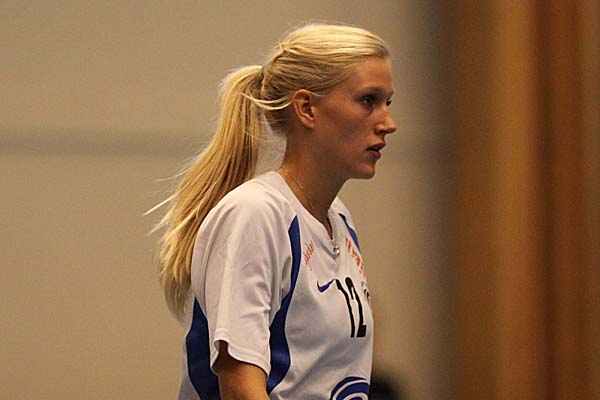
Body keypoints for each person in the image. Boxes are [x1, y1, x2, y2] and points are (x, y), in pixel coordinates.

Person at [152, 23, 397, 399]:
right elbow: (241, 389)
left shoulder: (339, 219)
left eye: (388, 103)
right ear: (307, 108)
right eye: (368, 101)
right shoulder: (255, 215)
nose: (388, 123)